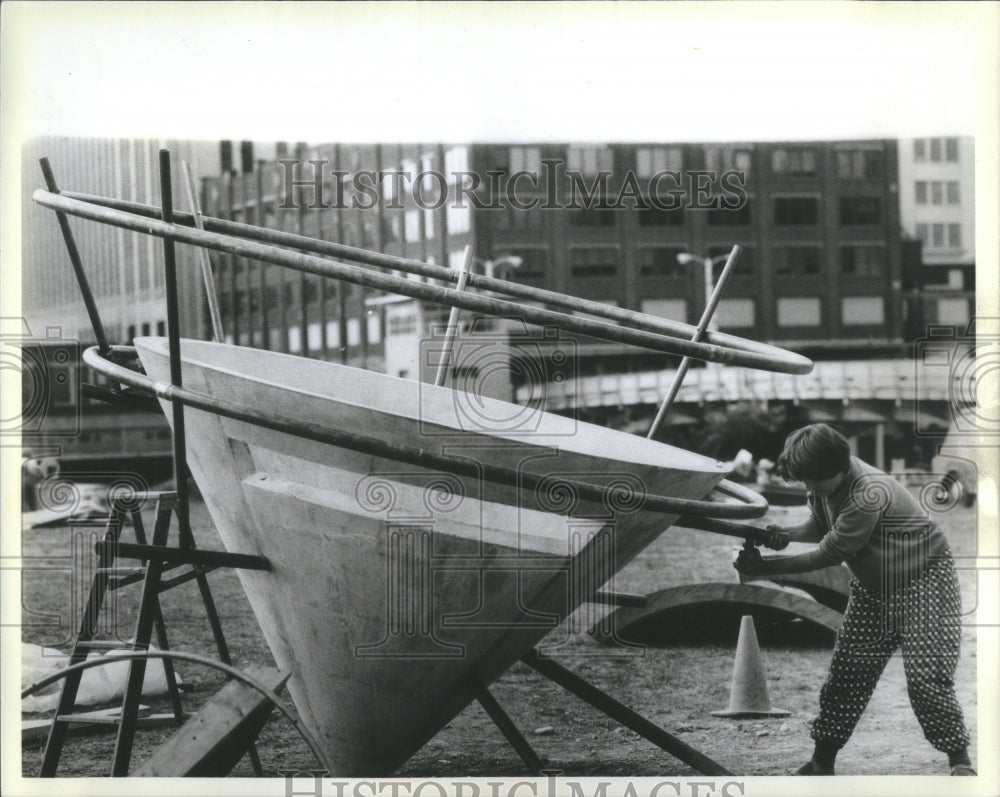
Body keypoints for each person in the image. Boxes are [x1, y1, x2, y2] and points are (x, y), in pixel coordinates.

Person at [735, 423, 974, 776]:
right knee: (847, 675)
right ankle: (821, 762)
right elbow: (821, 524)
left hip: (925, 580)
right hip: (874, 586)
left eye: (814, 480)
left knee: (927, 679)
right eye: (805, 481)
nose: (809, 487)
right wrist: (783, 535)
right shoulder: (822, 478)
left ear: (839, 468)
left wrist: (766, 567)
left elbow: (831, 552)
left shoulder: (868, 492)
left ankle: (960, 761)